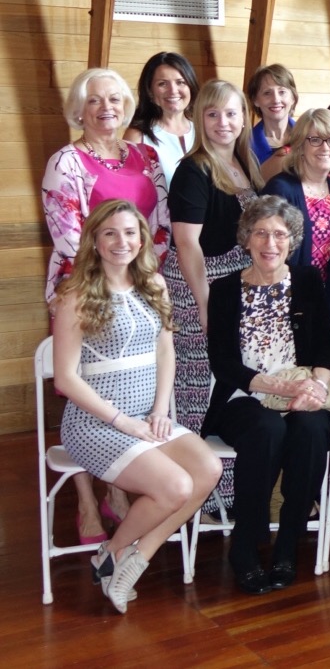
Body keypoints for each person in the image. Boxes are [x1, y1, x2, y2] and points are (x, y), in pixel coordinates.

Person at [51, 201, 222, 613]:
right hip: (97, 423)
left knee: (207, 470)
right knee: (175, 487)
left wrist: (161, 410)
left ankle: (126, 558)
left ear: (142, 238)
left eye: (130, 232)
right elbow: (65, 379)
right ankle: (116, 554)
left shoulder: (154, 284)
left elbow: (166, 351)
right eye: (109, 232)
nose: (121, 242)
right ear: (94, 238)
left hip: (148, 417)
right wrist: (123, 422)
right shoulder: (77, 293)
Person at [44, 67, 172, 543]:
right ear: (80, 109)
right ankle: (85, 501)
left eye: (115, 100)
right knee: (79, 387)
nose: (106, 109)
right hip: (82, 285)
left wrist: (142, 279)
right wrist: (111, 282)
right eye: (95, 101)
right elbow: (70, 239)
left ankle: (118, 488)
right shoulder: (66, 162)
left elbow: (158, 223)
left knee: (132, 380)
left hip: (139, 279)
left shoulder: (145, 156)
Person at [205, 196, 330, 594]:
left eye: (280, 234)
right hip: (244, 398)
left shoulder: (308, 280)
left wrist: (315, 386)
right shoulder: (225, 288)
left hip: (302, 389)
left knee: (313, 430)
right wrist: (277, 387)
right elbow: (223, 362)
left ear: (292, 240)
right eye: (261, 233)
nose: (270, 242)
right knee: (266, 429)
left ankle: (287, 544)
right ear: (246, 238)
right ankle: (245, 544)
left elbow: (324, 347)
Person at [163, 79, 262, 515]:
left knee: (228, 384)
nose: (224, 122)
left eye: (232, 113)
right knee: (195, 385)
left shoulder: (243, 162)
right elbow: (187, 243)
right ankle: (195, 489)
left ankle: (234, 487)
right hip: (200, 284)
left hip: (235, 285)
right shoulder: (195, 168)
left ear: (244, 118)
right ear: (200, 119)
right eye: (213, 114)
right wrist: (206, 306)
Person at [261, 108, 330, 326]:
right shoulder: (280, 189)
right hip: (282, 308)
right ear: (300, 145)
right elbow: (265, 253)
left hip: (325, 308)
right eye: (315, 139)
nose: (325, 147)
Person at [124, 52, 198, 183]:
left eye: (180, 82)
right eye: (163, 84)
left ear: (190, 87)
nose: (173, 90)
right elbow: (131, 189)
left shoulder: (204, 130)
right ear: (150, 91)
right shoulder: (137, 137)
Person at [247, 63, 298, 169]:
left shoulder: (308, 136)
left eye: (282, 92)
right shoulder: (245, 144)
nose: (276, 100)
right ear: (256, 100)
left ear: (293, 97)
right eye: (267, 93)